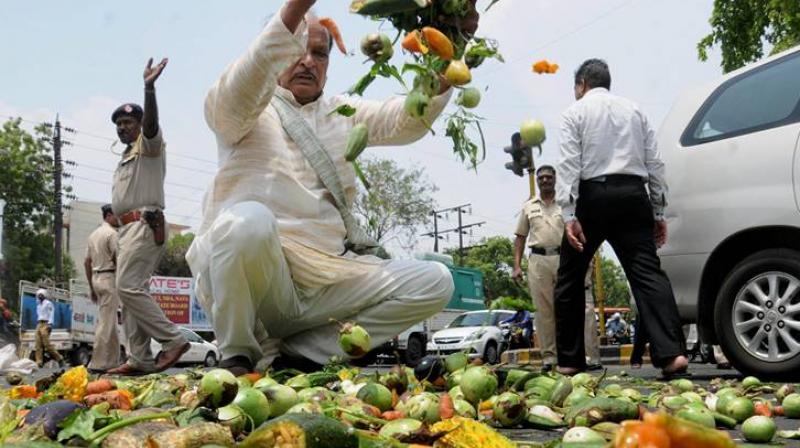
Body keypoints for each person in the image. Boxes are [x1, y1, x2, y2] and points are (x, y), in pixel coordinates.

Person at [186, 0, 473, 375]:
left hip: (328, 281)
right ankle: (238, 355)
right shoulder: (247, 109)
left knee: (435, 281)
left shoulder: (343, 113)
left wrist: (453, 41)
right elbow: (234, 96)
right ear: (274, 49)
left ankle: (305, 352)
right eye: (297, 48)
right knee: (247, 223)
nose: (307, 61)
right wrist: (295, 10)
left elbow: (407, 120)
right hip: (261, 282)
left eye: (319, 53)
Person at [553, 58, 688, 377]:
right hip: (632, 194)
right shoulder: (635, 110)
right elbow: (655, 162)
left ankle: (570, 361)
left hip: (592, 196)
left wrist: (569, 214)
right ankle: (672, 355)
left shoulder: (575, 112)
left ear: (582, 84)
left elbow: (569, 163)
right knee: (647, 274)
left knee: (570, 279)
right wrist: (658, 210)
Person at [107, 58, 189, 375]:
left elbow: (153, 127)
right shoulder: (126, 156)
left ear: (140, 125)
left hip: (146, 224)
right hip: (127, 230)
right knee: (129, 294)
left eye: (129, 122)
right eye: (119, 124)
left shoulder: (149, 146)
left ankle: (172, 340)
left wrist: (149, 88)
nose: (122, 127)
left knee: (128, 288)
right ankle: (139, 358)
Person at [512, 165, 600, 371]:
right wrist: (516, 266)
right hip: (538, 261)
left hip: (567, 259)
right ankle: (550, 357)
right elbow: (520, 238)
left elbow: (582, 232)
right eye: (541, 178)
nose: (544, 181)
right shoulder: (529, 206)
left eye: (548, 177)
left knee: (581, 307)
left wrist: (588, 260)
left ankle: (590, 356)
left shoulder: (567, 203)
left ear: (555, 179)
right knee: (544, 311)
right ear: (538, 181)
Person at [84, 204, 120, 372]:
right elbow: (119, 259)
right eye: (117, 215)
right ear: (108, 215)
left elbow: (86, 262)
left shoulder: (93, 235)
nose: (119, 218)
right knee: (106, 323)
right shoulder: (112, 234)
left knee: (110, 321)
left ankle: (112, 362)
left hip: (96, 278)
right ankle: (97, 362)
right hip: (109, 277)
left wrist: (91, 286)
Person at [34, 289, 64, 367]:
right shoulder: (38, 305)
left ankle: (59, 358)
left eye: (41, 295)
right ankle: (39, 362)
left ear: (44, 296)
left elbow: (51, 313)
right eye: (39, 295)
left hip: (46, 323)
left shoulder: (48, 303)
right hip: (39, 323)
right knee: (38, 344)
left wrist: (50, 324)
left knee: (47, 344)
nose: (40, 296)